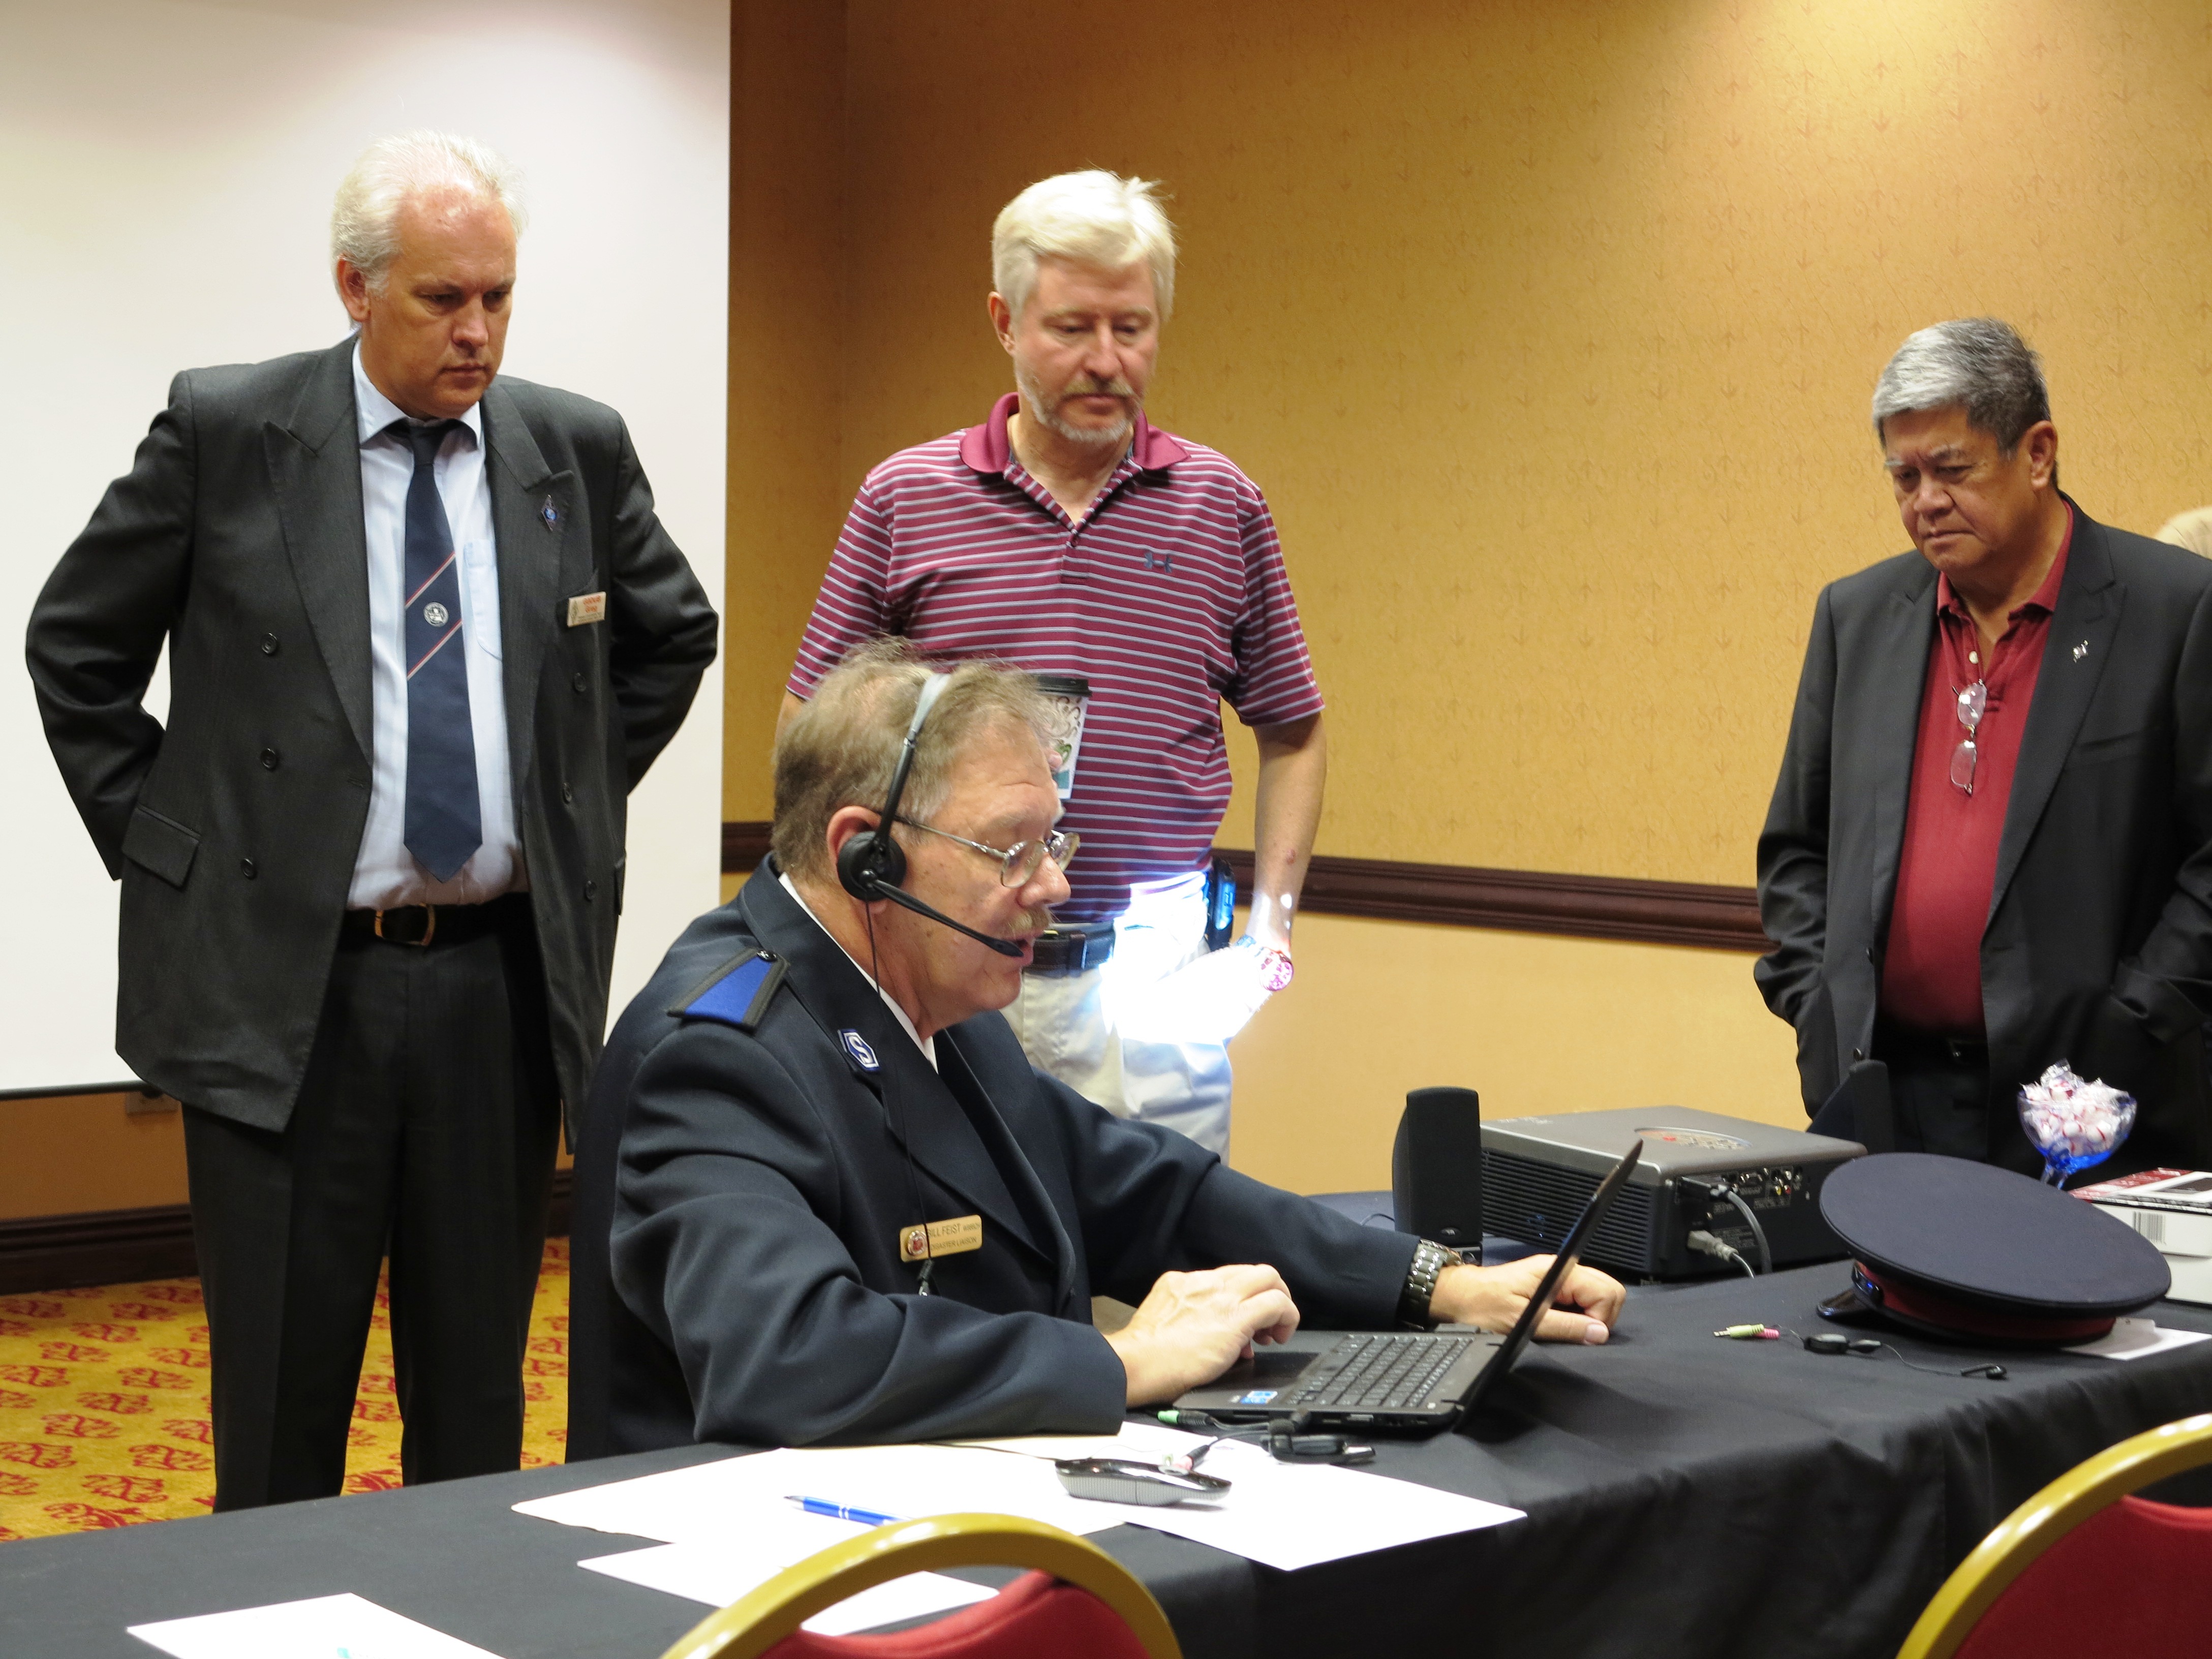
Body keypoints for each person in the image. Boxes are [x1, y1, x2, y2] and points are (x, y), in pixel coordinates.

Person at [24, 131, 719, 1508]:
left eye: (500, 297)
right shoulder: (231, 431)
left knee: (475, 1406)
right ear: (353, 286)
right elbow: (76, 649)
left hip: (495, 994)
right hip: (288, 994)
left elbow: (671, 635)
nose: (478, 333)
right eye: (442, 299)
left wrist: (561, 809)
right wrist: (175, 857)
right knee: (282, 1408)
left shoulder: (571, 447)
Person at [567, 644, 1620, 1455]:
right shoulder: (715, 1059)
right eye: (1010, 850)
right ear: (866, 858)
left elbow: (1147, 1192)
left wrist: (1435, 1283)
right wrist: (1120, 1360)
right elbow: (792, 1356)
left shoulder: (937, 999)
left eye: (1053, 841)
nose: (1054, 885)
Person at [778, 171, 1326, 1155]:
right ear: (1004, 321)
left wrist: (1272, 927)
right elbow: (810, 732)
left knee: (1169, 1251)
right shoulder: (905, 498)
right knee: (961, 1249)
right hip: (949, 979)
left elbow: (1294, 733)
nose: (1107, 360)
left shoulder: (1221, 504)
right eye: (1073, 328)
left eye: (1133, 328)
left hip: (1155, 989)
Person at [1757, 318, 2212, 1176]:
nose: (1925, 500)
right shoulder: (1857, 618)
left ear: (2037, 454)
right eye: (1904, 477)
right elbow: (1795, 852)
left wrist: (2135, 1024)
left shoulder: (2176, 608)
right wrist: (1820, 1005)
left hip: (2092, 1101)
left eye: (1952, 469)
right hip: (1885, 1097)